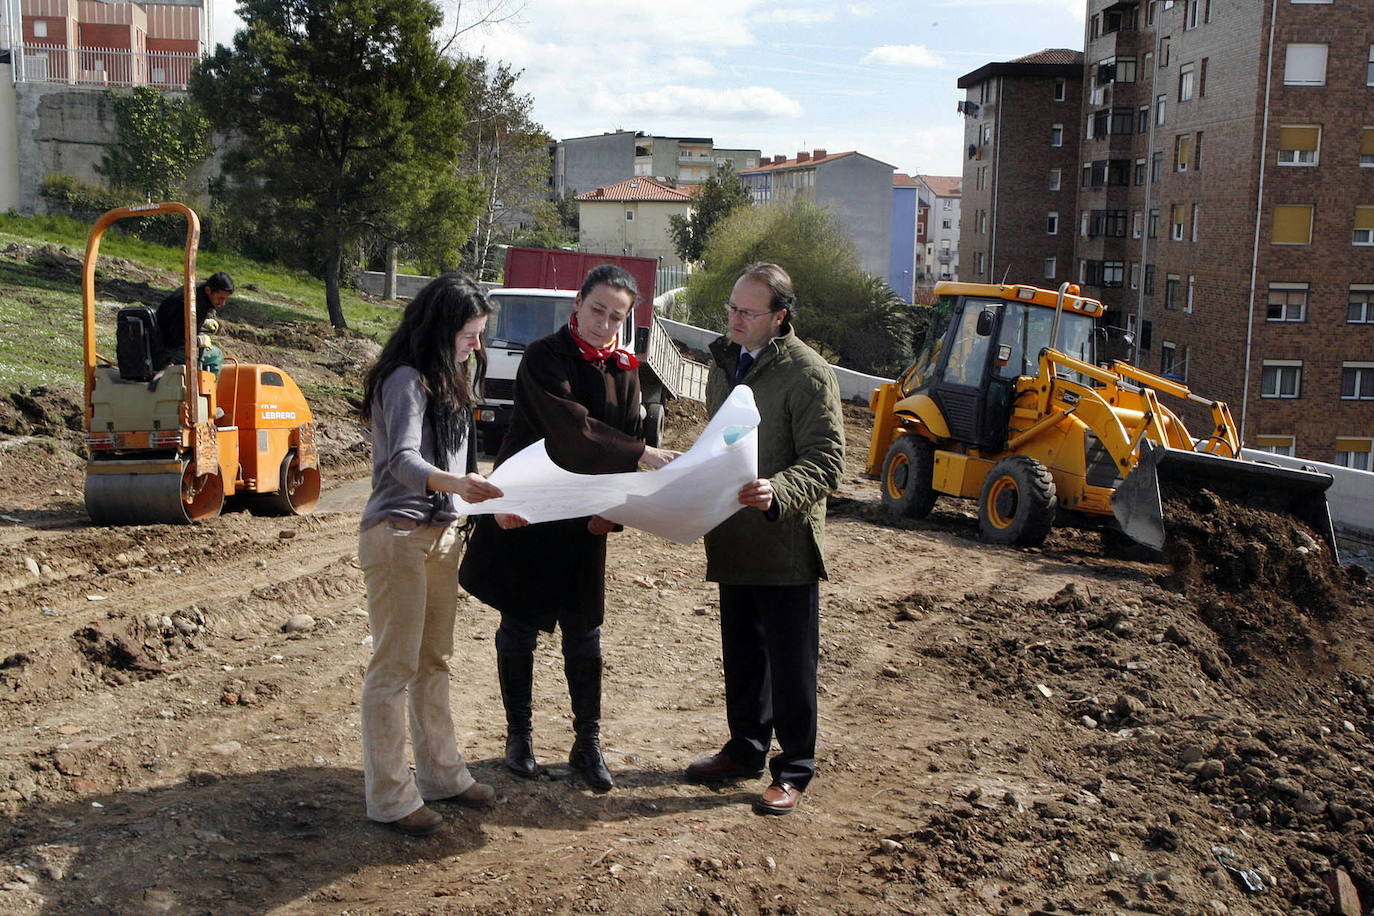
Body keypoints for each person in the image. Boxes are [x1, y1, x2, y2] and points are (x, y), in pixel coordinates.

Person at [459, 265, 677, 793]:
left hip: (586, 520)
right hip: (529, 510)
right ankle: (520, 739)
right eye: (597, 309)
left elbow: (621, 441)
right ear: (578, 304)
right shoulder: (543, 357)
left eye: (616, 316)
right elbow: (571, 430)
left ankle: (588, 743)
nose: (604, 323)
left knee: (585, 635)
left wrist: (615, 513)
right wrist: (645, 453)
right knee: (520, 628)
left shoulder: (627, 370)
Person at [685, 262, 844, 816]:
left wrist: (778, 490)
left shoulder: (808, 374)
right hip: (734, 538)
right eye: (731, 308)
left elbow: (828, 460)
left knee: (791, 663)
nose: (735, 319)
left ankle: (794, 767)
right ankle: (746, 748)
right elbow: (718, 445)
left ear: (779, 318)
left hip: (785, 543)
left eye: (748, 312)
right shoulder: (723, 363)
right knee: (744, 655)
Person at [358, 272, 505, 837]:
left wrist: (481, 488)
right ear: (441, 329)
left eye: (479, 335)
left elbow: (460, 466)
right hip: (398, 535)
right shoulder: (404, 381)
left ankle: (443, 775)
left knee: (434, 661)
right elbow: (401, 461)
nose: (476, 345)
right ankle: (391, 797)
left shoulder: (450, 381)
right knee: (393, 667)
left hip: (443, 535)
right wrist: (455, 482)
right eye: (469, 334)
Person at [155, 271, 235, 376]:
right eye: (220, 298)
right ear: (208, 290)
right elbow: (176, 335)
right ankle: (207, 391)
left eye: (225, 299)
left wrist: (202, 323)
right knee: (216, 355)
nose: (222, 303)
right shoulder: (193, 302)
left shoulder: (195, 292)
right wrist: (197, 340)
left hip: (162, 340)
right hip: (167, 347)